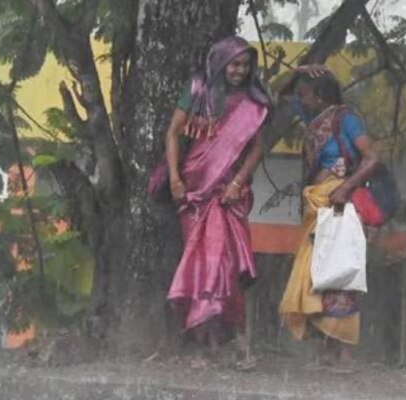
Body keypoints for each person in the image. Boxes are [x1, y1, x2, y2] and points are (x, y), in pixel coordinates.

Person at [158, 36, 271, 370]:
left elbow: (256, 149)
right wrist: (176, 179)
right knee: (200, 263)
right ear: (220, 62)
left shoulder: (253, 101)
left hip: (228, 192)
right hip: (195, 188)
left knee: (227, 263)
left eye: (245, 65)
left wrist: (237, 183)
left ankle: (232, 340)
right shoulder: (197, 88)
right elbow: (173, 133)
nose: (240, 71)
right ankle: (200, 343)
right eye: (235, 64)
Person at [278, 68, 379, 374]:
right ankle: (325, 349)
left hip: (339, 202)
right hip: (318, 204)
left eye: (304, 94)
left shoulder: (345, 118)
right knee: (316, 272)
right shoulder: (311, 118)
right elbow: (280, 94)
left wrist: (346, 187)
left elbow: (372, 157)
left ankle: (344, 354)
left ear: (319, 96)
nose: (299, 99)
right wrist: (299, 73)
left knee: (339, 273)